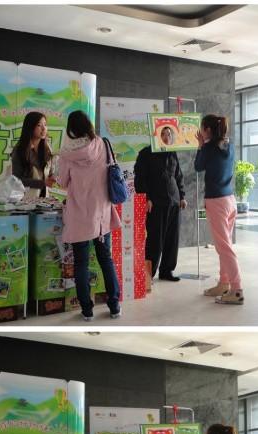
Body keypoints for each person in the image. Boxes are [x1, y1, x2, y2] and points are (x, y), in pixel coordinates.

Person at [58, 111, 122, 321]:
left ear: (71, 130)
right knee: (106, 259)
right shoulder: (103, 144)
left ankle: (87, 310)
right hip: (101, 215)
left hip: (79, 216)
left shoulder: (67, 154)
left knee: (81, 264)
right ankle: (114, 306)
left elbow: (62, 182)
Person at [195, 115, 244, 305]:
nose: (201, 131)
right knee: (225, 245)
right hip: (230, 200)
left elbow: (198, 166)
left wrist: (201, 146)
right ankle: (224, 283)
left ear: (207, 130)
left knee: (224, 247)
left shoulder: (208, 148)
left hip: (216, 201)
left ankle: (236, 289)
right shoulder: (228, 146)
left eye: (202, 128)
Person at [134, 126, 187, 282]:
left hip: (174, 202)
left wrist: (182, 196)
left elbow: (178, 176)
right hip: (156, 203)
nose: (166, 136)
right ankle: (148, 274)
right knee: (154, 241)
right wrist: (146, 198)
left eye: (168, 134)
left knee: (172, 239)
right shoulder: (145, 153)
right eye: (162, 134)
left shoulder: (172, 153)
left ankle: (166, 271)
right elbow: (140, 178)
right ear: (155, 135)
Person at [11, 111, 56, 198]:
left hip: (44, 199)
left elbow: (49, 173)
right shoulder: (20, 149)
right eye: (39, 125)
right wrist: (42, 183)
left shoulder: (47, 149)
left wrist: (53, 177)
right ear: (30, 127)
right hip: (25, 200)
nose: (44, 128)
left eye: (45, 125)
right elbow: (16, 180)